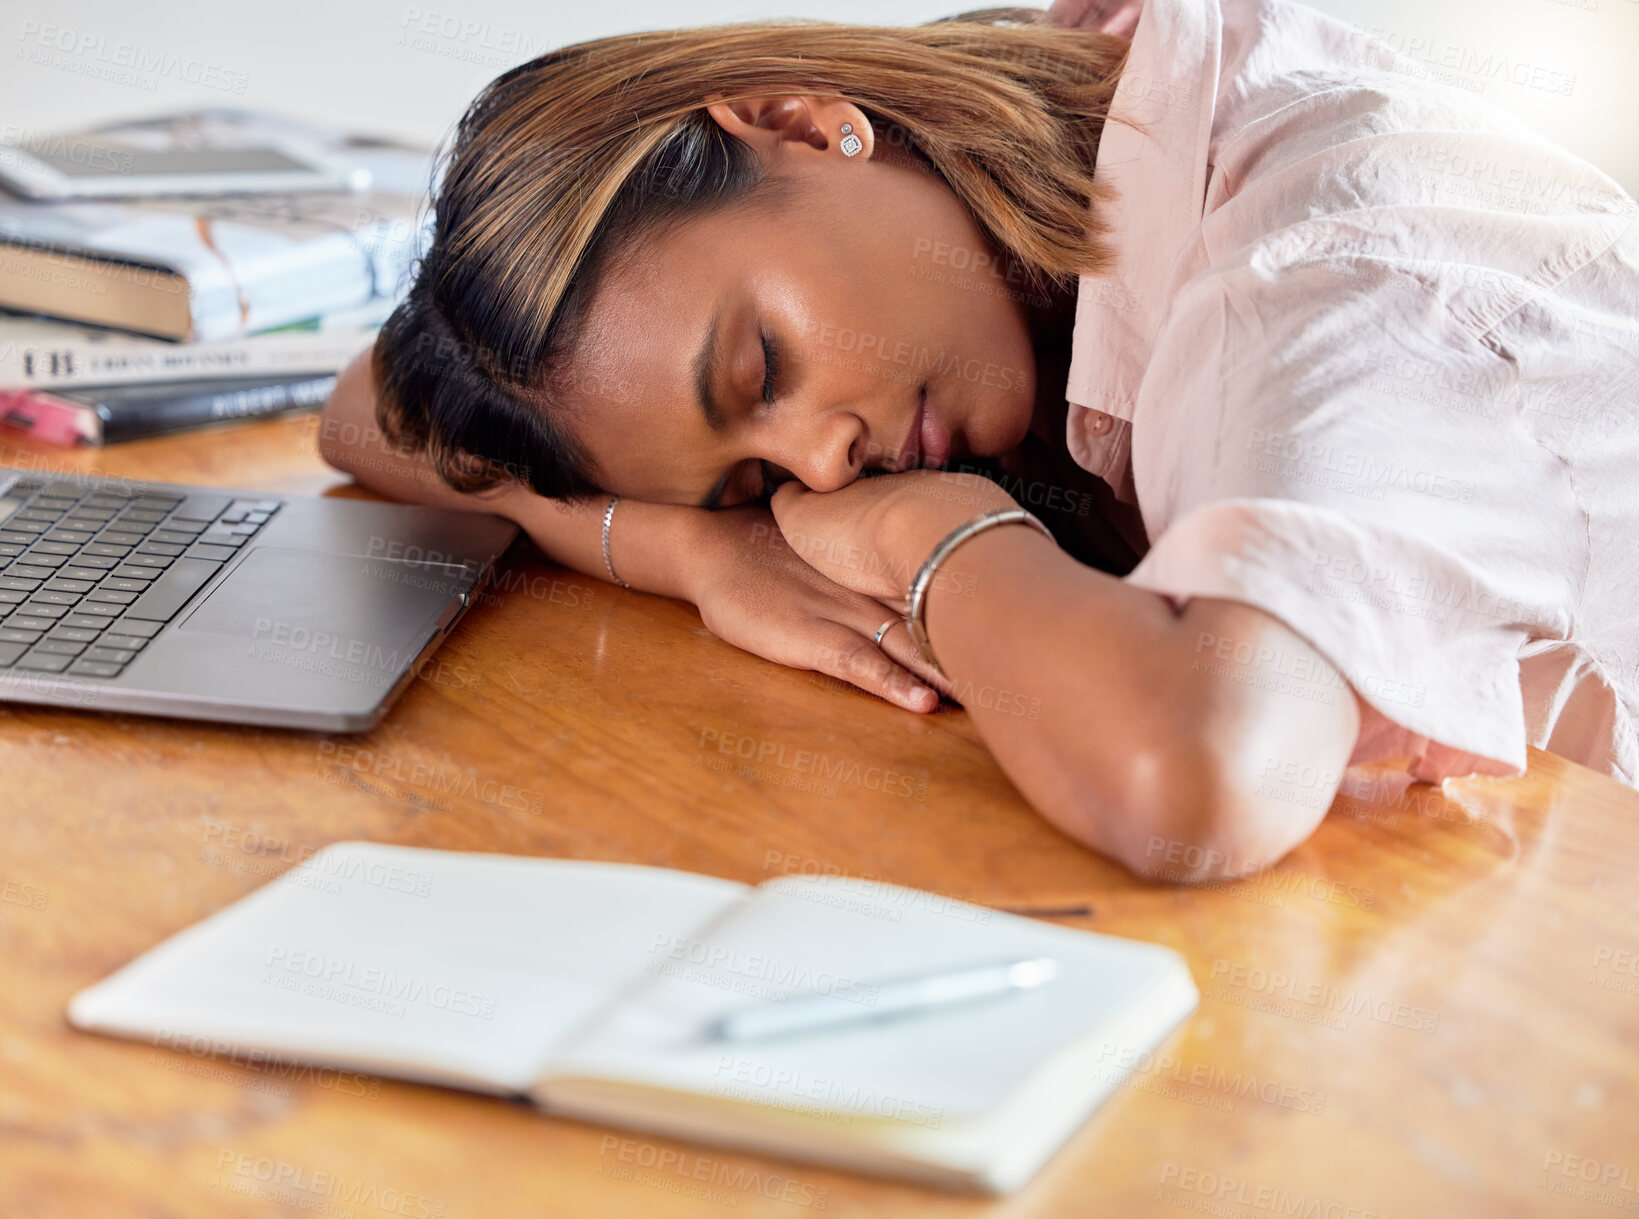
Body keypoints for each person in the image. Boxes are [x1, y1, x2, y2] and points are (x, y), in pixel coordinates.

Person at [318, 0, 1639, 880]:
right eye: (752, 478)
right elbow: (366, 406)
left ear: (802, 123)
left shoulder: (1322, 271)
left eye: (761, 367)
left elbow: (1204, 778)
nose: (817, 470)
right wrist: (691, 551)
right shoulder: (1033, 142)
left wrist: (934, 538)